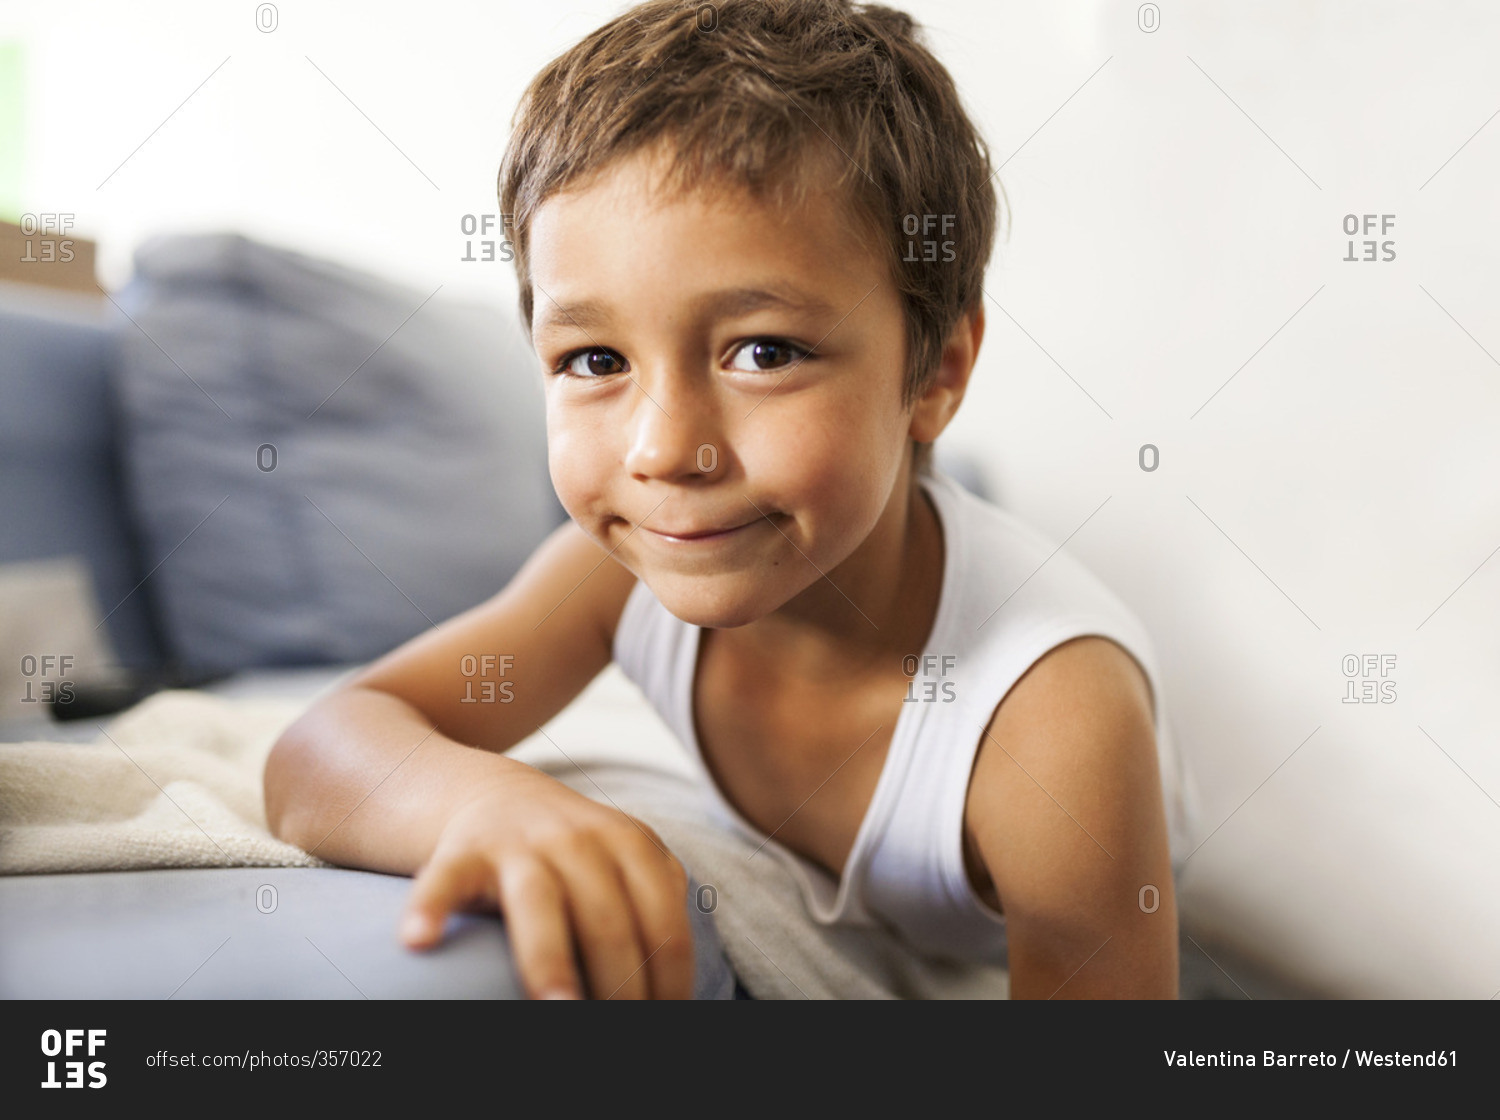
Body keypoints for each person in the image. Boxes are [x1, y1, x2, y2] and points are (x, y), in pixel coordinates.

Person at [265, 0, 1192, 999]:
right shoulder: (603, 583)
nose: (664, 449)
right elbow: (322, 746)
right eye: (595, 358)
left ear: (935, 373)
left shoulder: (1048, 718)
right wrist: (483, 804)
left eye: (763, 352)